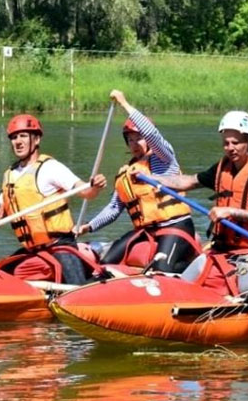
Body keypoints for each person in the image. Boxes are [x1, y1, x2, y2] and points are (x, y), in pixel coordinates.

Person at [0, 114, 107, 285]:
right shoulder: (10, 175)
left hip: (60, 246)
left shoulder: (50, 168)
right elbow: (1, 211)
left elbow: (86, 192)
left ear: (36, 139)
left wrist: (95, 186)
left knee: (77, 287)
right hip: (31, 250)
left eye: (22, 136)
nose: (17, 142)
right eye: (14, 137)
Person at [75, 90, 199, 273]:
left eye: (138, 138)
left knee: (160, 269)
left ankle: (194, 265)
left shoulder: (163, 159)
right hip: (147, 231)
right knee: (105, 263)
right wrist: (88, 226)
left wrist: (124, 104)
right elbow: (114, 208)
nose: (134, 144)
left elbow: (153, 134)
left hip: (175, 226)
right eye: (130, 140)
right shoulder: (126, 173)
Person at [151, 110, 248, 253]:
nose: (230, 148)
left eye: (235, 143)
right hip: (221, 247)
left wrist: (230, 211)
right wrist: (153, 178)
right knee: (189, 273)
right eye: (226, 143)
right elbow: (189, 181)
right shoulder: (223, 167)